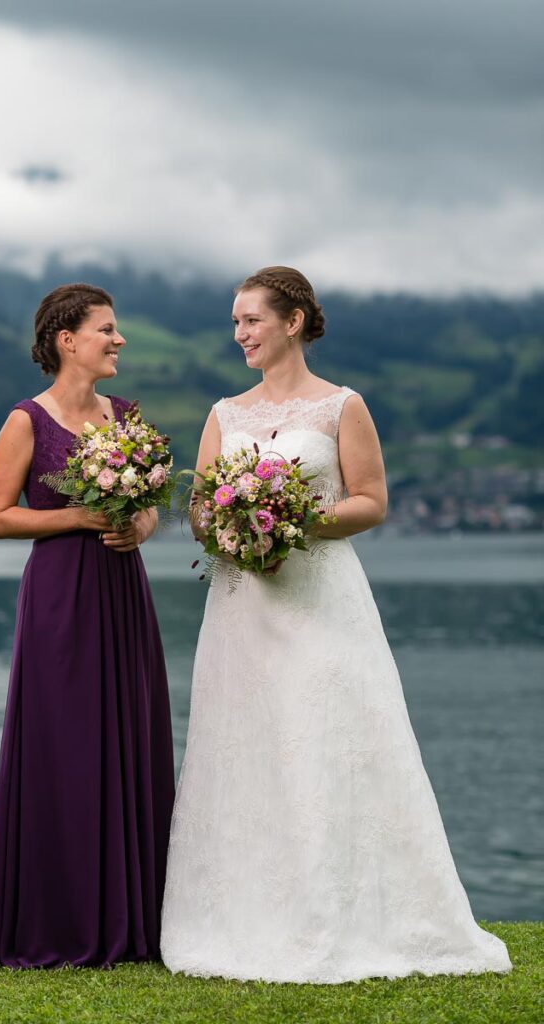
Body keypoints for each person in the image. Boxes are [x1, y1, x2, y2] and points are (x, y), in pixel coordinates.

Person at [160, 266, 511, 984]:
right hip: (241, 606)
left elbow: (371, 500)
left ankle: (343, 915)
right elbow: (197, 509)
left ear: (292, 322)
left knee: (327, 736)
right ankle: (240, 915)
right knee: (246, 745)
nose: (239, 335)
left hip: (320, 597)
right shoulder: (224, 413)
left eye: (250, 320)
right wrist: (225, 528)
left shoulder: (342, 406)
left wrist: (292, 522)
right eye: (233, 323)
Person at [0, 283, 175, 968]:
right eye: (106, 330)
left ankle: (134, 919)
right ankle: (57, 919)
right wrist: (80, 517)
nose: (118, 341)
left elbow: (147, 510)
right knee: (65, 743)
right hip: (61, 599)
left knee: (130, 735)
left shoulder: (124, 416)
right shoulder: (26, 421)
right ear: (67, 340)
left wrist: (140, 523)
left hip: (122, 592)